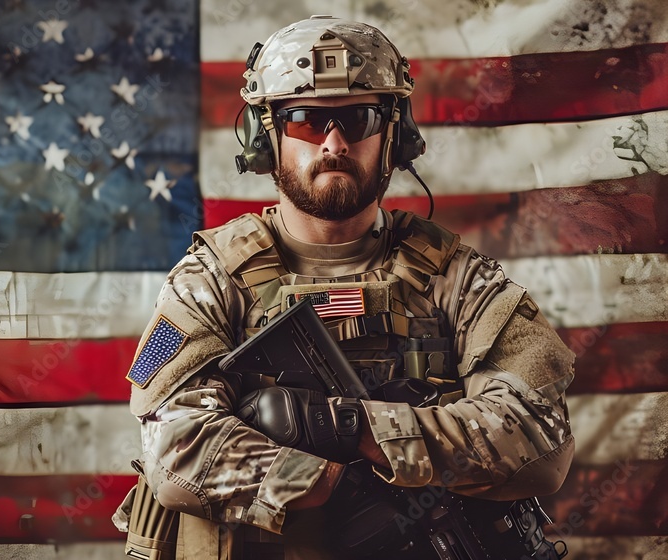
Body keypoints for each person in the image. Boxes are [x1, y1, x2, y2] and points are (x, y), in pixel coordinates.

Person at [114, 16, 575, 560]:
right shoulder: (209, 277)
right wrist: (331, 482)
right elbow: (175, 444)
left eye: (358, 119)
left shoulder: (458, 276)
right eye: (307, 121)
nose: (333, 144)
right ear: (269, 137)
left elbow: (539, 436)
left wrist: (355, 429)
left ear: (393, 135)